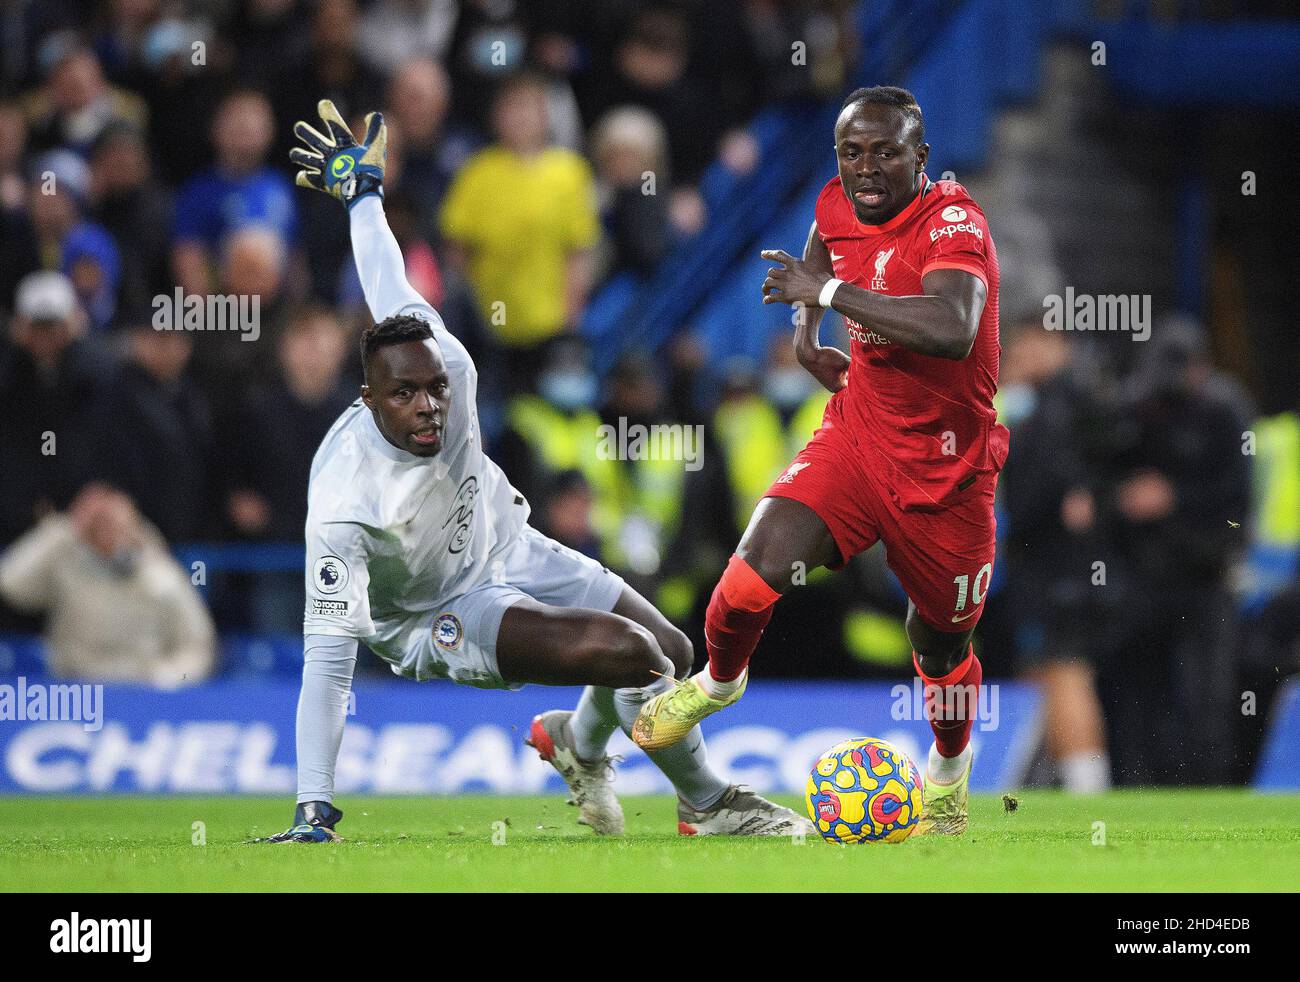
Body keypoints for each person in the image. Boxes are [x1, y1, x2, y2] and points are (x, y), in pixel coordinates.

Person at [256, 100, 811, 843]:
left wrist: (362, 197)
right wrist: (312, 807)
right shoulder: (342, 501)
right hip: (434, 615)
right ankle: (710, 805)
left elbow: (385, 274)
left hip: (506, 541)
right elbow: (328, 665)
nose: (428, 408)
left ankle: (577, 744)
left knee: (676, 654)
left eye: (434, 391)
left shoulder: (442, 356)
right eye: (403, 396)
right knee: (634, 657)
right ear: (367, 398)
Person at [633, 87, 1008, 836]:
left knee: (940, 650)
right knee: (749, 575)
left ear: (921, 158)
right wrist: (808, 335)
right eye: (850, 151)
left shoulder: (955, 225)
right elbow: (822, 234)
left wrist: (828, 292)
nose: (864, 168)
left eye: (884, 152)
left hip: (947, 475)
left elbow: (953, 326)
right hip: (858, 439)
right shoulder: (839, 200)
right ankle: (716, 682)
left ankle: (946, 772)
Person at [0, 482, 215, 687]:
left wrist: (164, 680)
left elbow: (197, 644)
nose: (111, 532)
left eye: (117, 523)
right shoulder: (65, 565)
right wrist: (62, 528)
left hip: (142, 690)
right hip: (76, 689)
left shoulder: (162, 575)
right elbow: (10, 584)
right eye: (100, 523)